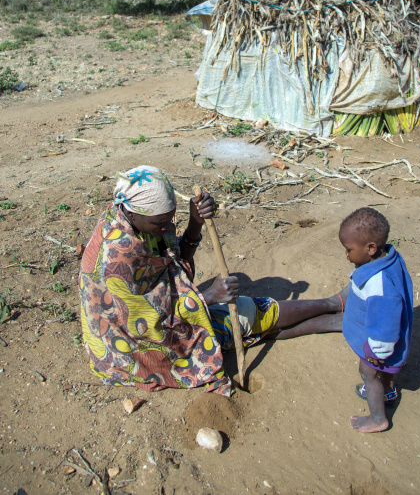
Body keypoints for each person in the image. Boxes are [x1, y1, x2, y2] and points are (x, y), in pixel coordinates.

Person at [79, 165, 343, 396]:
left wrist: (195, 222)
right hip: (136, 348)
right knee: (245, 316)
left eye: (171, 219)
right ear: (134, 213)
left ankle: (329, 318)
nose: (167, 227)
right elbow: (146, 321)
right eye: (161, 223)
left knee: (237, 329)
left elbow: (175, 262)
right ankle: (332, 305)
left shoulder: (131, 220)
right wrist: (208, 297)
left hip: (142, 327)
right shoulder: (118, 256)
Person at [340, 207, 413, 433]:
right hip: (390, 338)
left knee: (369, 375)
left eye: (349, 249)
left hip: (376, 345)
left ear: (370, 248)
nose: (346, 254)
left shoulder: (379, 286)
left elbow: (384, 327)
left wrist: (374, 354)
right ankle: (388, 391)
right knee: (385, 374)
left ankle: (377, 418)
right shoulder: (389, 258)